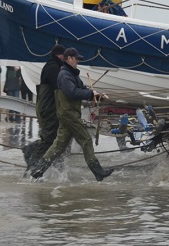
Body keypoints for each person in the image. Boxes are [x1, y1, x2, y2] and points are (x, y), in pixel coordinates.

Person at [25, 47, 113, 181]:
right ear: (69, 58)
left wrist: (98, 96)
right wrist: (90, 94)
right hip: (68, 114)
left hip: (68, 114)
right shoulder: (64, 74)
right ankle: (97, 171)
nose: (78, 61)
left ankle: (38, 171)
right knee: (86, 140)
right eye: (76, 58)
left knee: (58, 145)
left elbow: (82, 89)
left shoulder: (71, 74)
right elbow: (72, 92)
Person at [21, 44, 65, 166]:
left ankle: (55, 164)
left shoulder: (52, 66)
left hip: (47, 106)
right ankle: (32, 164)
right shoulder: (53, 67)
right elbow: (58, 88)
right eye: (64, 55)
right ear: (59, 55)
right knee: (50, 138)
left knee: (55, 137)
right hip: (49, 108)